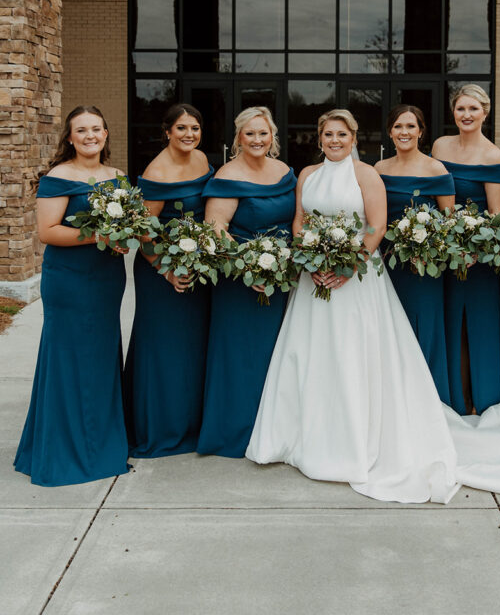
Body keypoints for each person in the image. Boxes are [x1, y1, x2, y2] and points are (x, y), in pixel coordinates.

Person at [247, 109, 500, 505]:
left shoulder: (367, 174)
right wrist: (313, 259)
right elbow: (299, 221)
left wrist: (345, 266)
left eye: (342, 134)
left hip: (356, 278)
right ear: (319, 137)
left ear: (354, 137)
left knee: (354, 353)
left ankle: (356, 439)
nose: (334, 141)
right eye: (328, 134)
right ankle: (307, 436)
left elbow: (376, 227)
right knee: (311, 355)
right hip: (314, 282)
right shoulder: (307, 176)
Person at [15, 106, 130, 486]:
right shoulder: (57, 177)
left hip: (106, 279)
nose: (90, 135)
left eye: (96, 128)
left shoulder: (117, 177)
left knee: (100, 356)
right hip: (69, 281)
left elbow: (127, 224)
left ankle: (99, 444)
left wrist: (123, 240)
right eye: (81, 130)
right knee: (69, 358)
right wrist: (100, 236)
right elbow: (48, 232)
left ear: (106, 133)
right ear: (69, 137)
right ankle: (63, 452)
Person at [197, 107, 296, 457]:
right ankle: (236, 431)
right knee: (241, 355)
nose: (257, 140)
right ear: (238, 136)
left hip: (282, 279)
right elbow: (216, 231)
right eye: (250, 133)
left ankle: (276, 431)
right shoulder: (228, 175)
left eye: (263, 133)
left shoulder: (285, 172)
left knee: (278, 355)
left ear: (273, 137)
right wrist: (250, 268)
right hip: (239, 281)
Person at [123, 104, 213, 457]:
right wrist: (167, 270)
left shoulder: (203, 159)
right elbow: (145, 234)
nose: (189, 134)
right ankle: (157, 426)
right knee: (163, 348)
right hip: (161, 273)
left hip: (196, 268)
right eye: (181, 128)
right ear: (167, 131)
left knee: (192, 347)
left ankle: (190, 422)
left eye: (194, 128)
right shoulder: (157, 172)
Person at [432, 84, 500, 414]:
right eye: (461, 109)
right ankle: (453, 399)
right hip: (442, 255)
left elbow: (497, 216)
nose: (466, 115)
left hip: (478, 259)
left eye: (473, 109)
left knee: (477, 326)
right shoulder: (439, 146)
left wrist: (474, 251)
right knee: (450, 324)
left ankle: (482, 399)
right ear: (453, 112)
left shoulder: (493, 155)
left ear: (485, 112)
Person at [375, 104, 454, 402]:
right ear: (390, 132)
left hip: (423, 266)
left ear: (421, 131)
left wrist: (428, 248)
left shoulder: (436, 169)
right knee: (389, 329)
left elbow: (450, 221)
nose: (404, 132)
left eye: (410, 126)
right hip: (385, 264)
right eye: (398, 126)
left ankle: (426, 401)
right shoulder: (379, 169)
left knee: (422, 325)